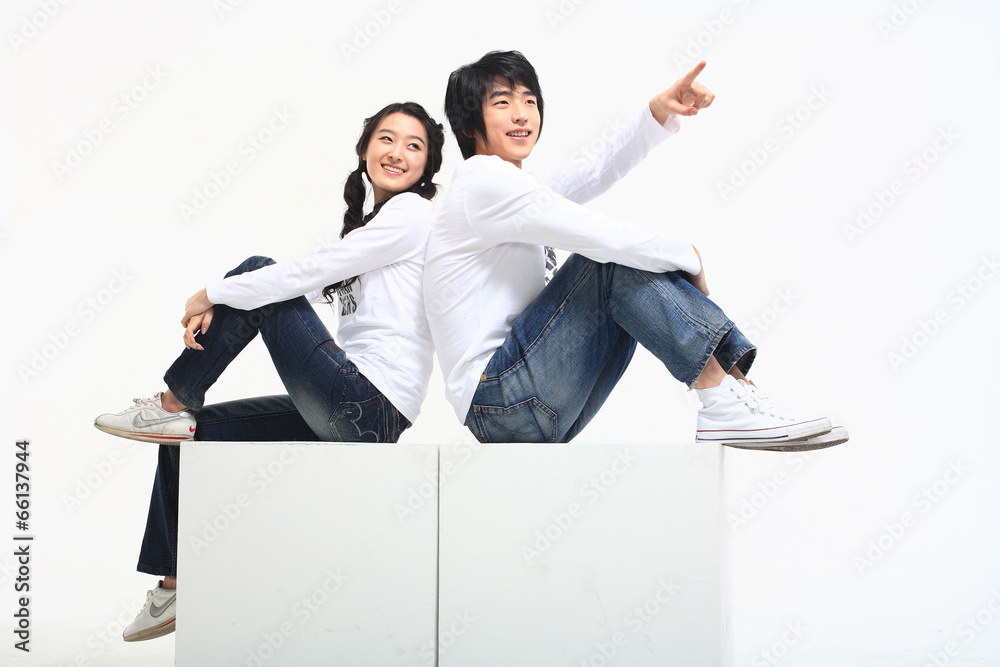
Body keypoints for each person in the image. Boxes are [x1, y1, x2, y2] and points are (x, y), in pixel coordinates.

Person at [93, 101, 445, 641]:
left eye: (413, 145)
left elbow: (298, 275)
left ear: (426, 166)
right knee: (187, 436)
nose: (397, 152)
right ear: (364, 149)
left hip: (368, 404)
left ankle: (171, 401)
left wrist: (211, 294)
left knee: (258, 272)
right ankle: (173, 586)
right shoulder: (373, 228)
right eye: (387, 138)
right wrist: (229, 299)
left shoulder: (412, 214)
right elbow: (306, 284)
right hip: (356, 410)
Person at [424, 50, 847, 450]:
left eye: (530, 101)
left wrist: (658, 113)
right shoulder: (482, 181)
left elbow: (595, 170)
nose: (521, 114)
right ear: (470, 124)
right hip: (498, 399)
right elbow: (602, 238)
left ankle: (737, 395)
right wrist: (686, 255)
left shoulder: (516, 187)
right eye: (502, 102)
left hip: (520, 404)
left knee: (620, 263)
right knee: (610, 262)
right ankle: (723, 397)